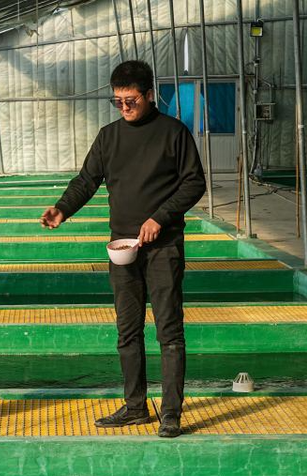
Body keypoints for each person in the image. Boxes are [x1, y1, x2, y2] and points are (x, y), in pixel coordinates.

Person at [41, 60, 206, 438]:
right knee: (127, 332)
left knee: (169, 332)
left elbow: (194, 183)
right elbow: (87, 180)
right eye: (117, 102)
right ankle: (135, 407)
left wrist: (160, 218)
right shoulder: (109, 136)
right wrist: (63, 208)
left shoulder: (173, 133)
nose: (124, 108)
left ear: (150, 94)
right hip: (123, 250)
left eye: (131, 100)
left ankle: (170, 414)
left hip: (163, 247)